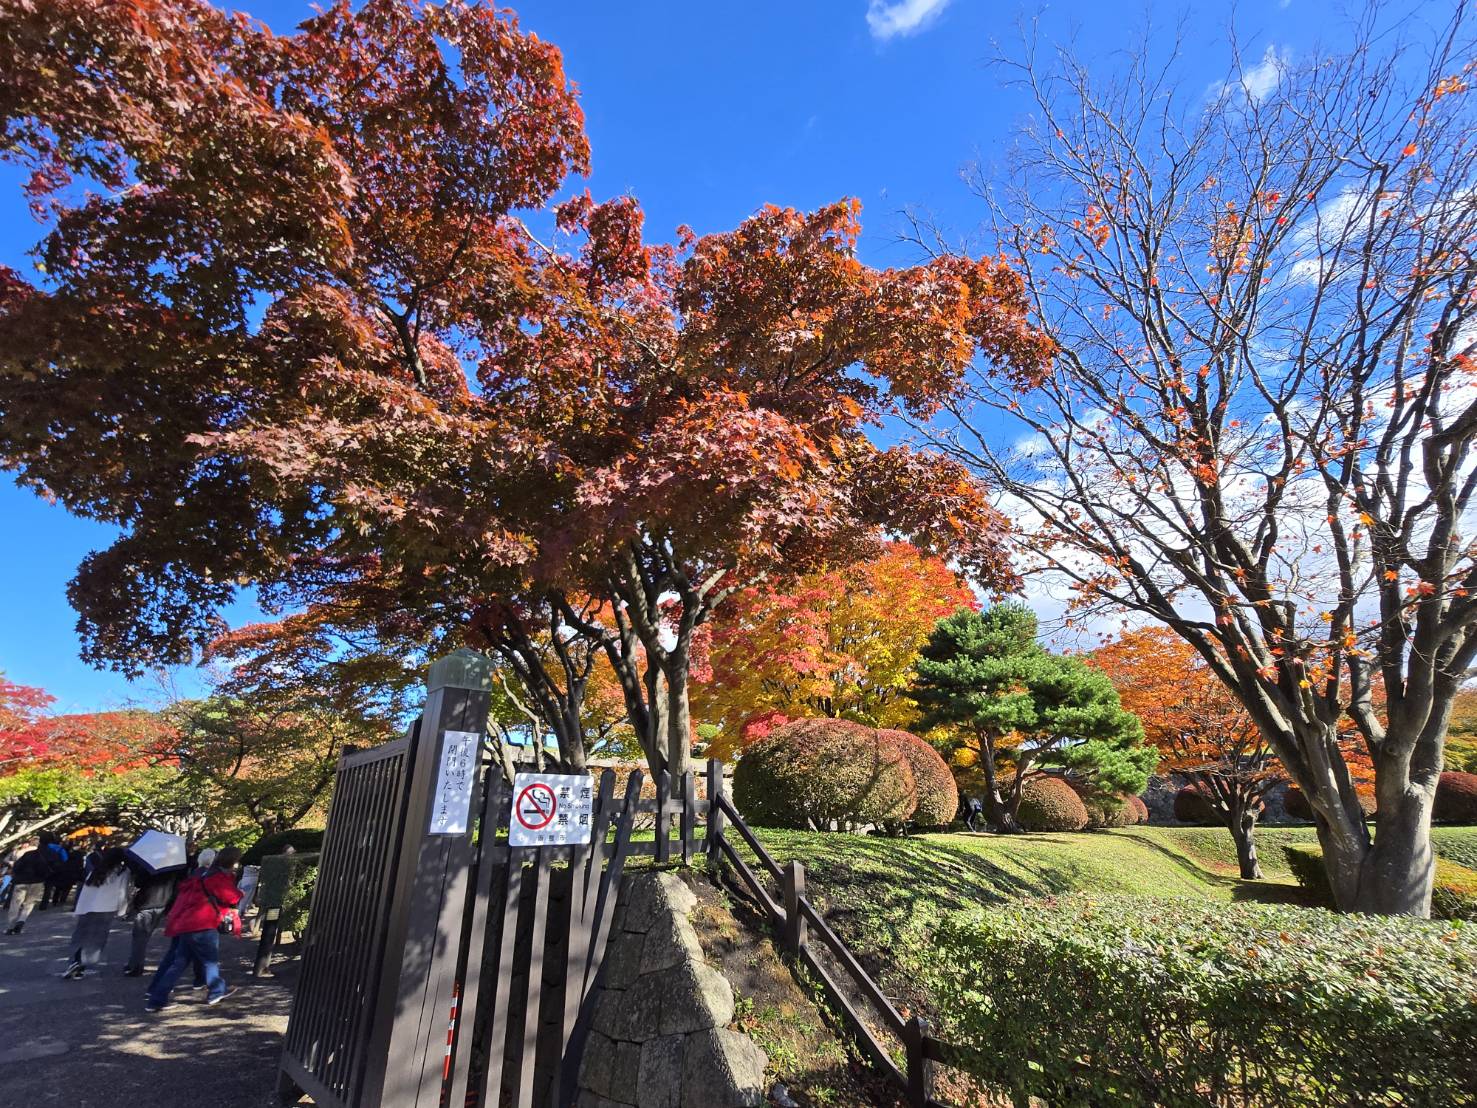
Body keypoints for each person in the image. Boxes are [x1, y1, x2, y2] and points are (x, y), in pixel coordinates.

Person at [145, 847, 242, 1011]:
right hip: (204, 923)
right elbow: (232, 897)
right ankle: (216, 991)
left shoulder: (201, 874)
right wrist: (239, 891)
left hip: (187, 923)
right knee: (210, 961)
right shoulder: (218, 877)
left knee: (179, 963)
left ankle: (157, 998)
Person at [64, 846, 130, 978]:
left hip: (88, 907)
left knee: (81, 936)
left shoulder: (97, 869)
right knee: (96, 940)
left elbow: (86, 890)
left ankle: (75, 963)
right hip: (106, 908)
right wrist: (122, 910)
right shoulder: (122, 871)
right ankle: (80, 963)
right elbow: (122, 892)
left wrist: (79, 908)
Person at [122, 860, 182, 977]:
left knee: (139, 938)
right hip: (162, 903)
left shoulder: (150, 866)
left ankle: (136, 966)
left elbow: (139, 882)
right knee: (145, 935)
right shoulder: (173, 868)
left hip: (147, 902)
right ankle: (134, 963)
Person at [4, 838, 56, 933]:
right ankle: (22, 919)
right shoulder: (50, 855)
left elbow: (17, 865)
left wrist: (15, 875)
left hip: (22, 881)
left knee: (16, 903)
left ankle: (10, 926)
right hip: (37, 881)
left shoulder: (28, 854)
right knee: (30, 903)